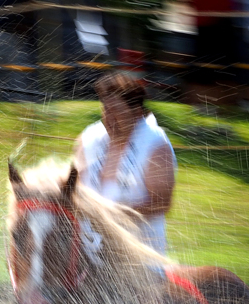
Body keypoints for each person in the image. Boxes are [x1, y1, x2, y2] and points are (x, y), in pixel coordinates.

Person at [72, 72, 177, 255]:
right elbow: (75, 191)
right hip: (86, 253)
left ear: (136, 113)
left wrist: (111, 215)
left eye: (117, 112)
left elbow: (161, 203)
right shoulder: (88, 140)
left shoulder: (155, 145)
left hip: (139, 254)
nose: (109, 120)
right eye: (106, 111)